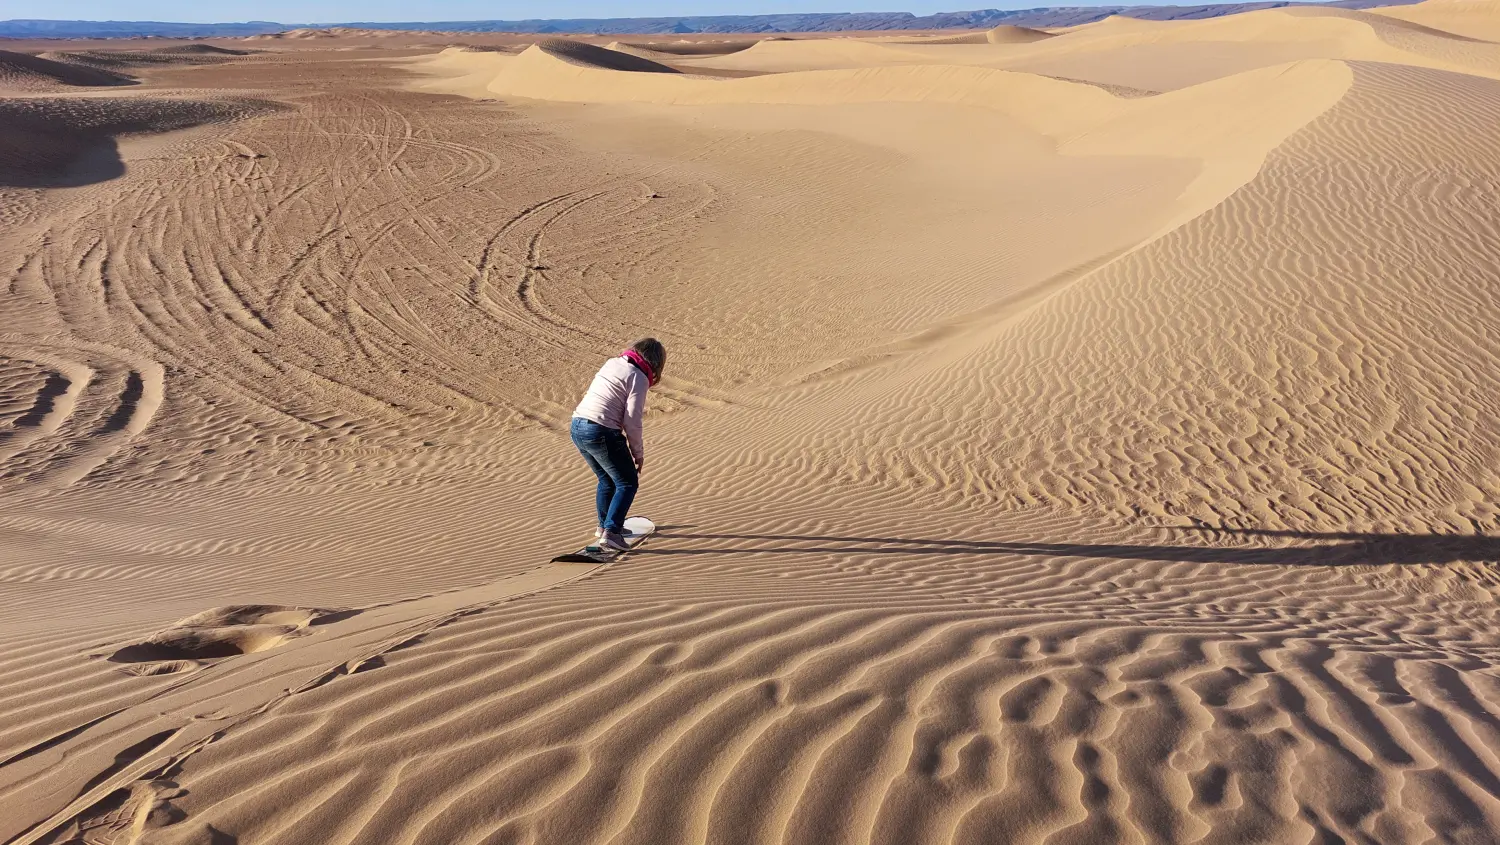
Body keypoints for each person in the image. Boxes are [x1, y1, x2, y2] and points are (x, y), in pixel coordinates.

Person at [570, 338, 666, 550]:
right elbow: (632, 420)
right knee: (627, 482)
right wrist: (638, 453)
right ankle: (612, 533)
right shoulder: (638, 377)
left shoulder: (612, 363)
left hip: (577, 425)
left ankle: (605, 526)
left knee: (607, 479)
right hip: (600, 430)